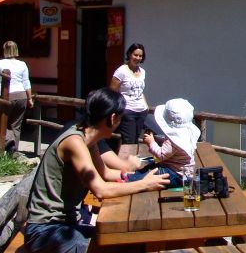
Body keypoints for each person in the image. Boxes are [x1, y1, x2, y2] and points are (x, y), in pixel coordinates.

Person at [23, 88, 169, 253]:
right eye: (120, 118)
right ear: (112, 118)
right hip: (46, 231)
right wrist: (144, 185)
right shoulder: (75, 142)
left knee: (126, 242)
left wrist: (141, 177)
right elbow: (100, 189)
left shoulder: (87, 138)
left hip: (65, 226)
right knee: (117, 246)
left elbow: (105, 173)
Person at [128, 98, 200, 188]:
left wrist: (151, 142)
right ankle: (134, 176)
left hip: (176, 175)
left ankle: (131, 179)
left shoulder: (172, 142)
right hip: (184, 173)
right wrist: (158, 140)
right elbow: (171, 149)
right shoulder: (185, 136)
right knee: (151, 166)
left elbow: (161, 155)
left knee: (152, 172)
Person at [0, 41, 33, 155]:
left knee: (2, 122)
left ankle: (8, 146)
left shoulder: (0, 63)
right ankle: (13, 152)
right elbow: (26, 82)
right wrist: (29, 98)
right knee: (16, 125)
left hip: (6, 96)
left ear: (5, 50)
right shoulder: (22, 64)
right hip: (21, 96)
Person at [109, 43, 148, 145]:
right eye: (135, 55)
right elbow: (112, 92)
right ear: (130, 54)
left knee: (136, 140)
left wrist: (146, 106)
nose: (138, 58)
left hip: (141, 111)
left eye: (140, 56)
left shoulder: (142, 72)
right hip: (127, 111)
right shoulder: (121, 71)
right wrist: (119, 110)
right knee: (129, 142)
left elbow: (140, 90)